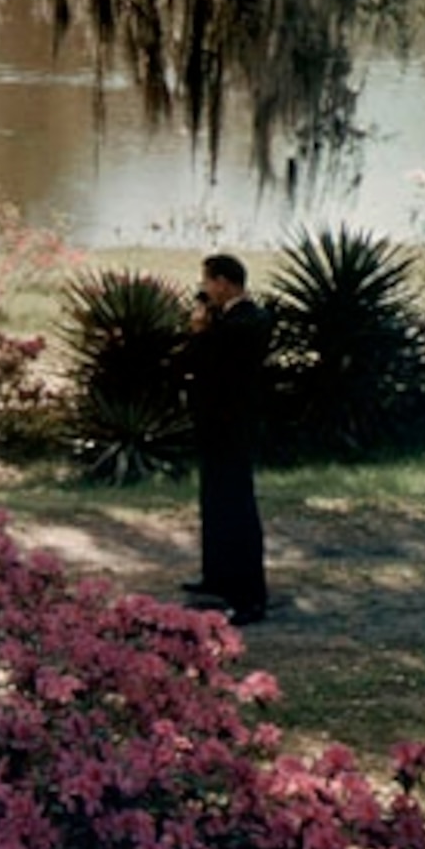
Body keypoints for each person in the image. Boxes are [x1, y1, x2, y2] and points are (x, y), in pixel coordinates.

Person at [181, 252, 274, 625]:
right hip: (216, 428)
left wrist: (202, 332)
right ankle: (217, 575)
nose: (204, 290)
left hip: (233, 429)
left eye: (207, 282)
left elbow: (205, 362)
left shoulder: (247, 322)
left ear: (223, 282)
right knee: (215, 501)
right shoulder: (228, 321)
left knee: (236, 508)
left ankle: (249, 595)